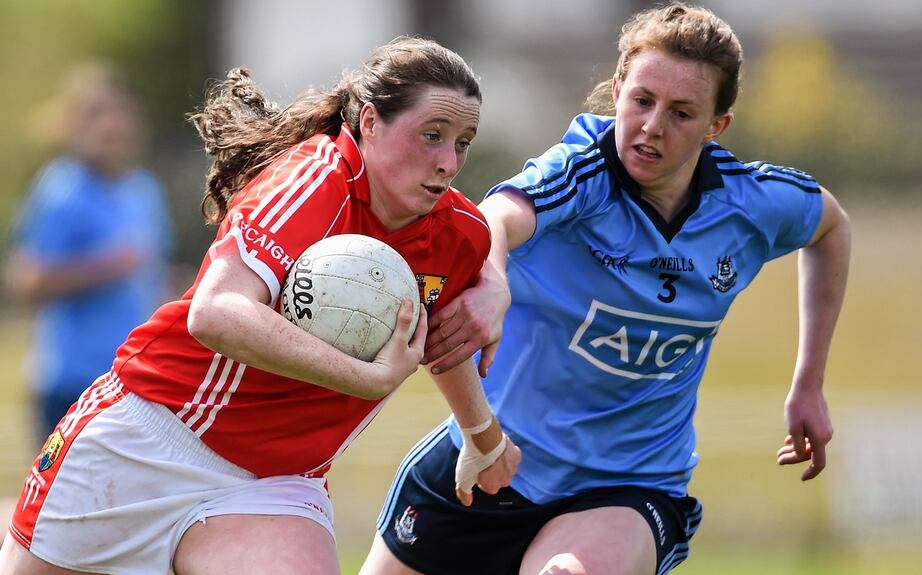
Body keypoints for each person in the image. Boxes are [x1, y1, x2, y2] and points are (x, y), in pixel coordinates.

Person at [0, 37, 519, 575]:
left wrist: (483, 435)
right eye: (432, 135)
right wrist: (363, 378)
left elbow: (442, 332)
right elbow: (216, 310)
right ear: (369, 122)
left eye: (463, 143)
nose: (448, 162)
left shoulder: (460, 235)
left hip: (276, 483)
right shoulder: (315, 181)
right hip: (155, 437)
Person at [362, 4, 851, 575]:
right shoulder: (582, 174)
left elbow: (830, 226)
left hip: (627, 487)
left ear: (717, 126)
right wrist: (492, 282)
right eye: (641, 101)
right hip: (493, 457)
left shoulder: (751, 205)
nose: (652, 126)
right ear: (617, 89)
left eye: (683, 113)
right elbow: (496, 215)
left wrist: (809, 382)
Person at [3, 63, 174, 445]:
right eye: (97, 114)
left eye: (118, 113)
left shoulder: (143, 190)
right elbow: (26, 280)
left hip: (130, 381)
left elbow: (150, 275)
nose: (110, 125)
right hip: (70, 384)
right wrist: (105, 267)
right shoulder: (62, 190)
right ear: (75, 125)